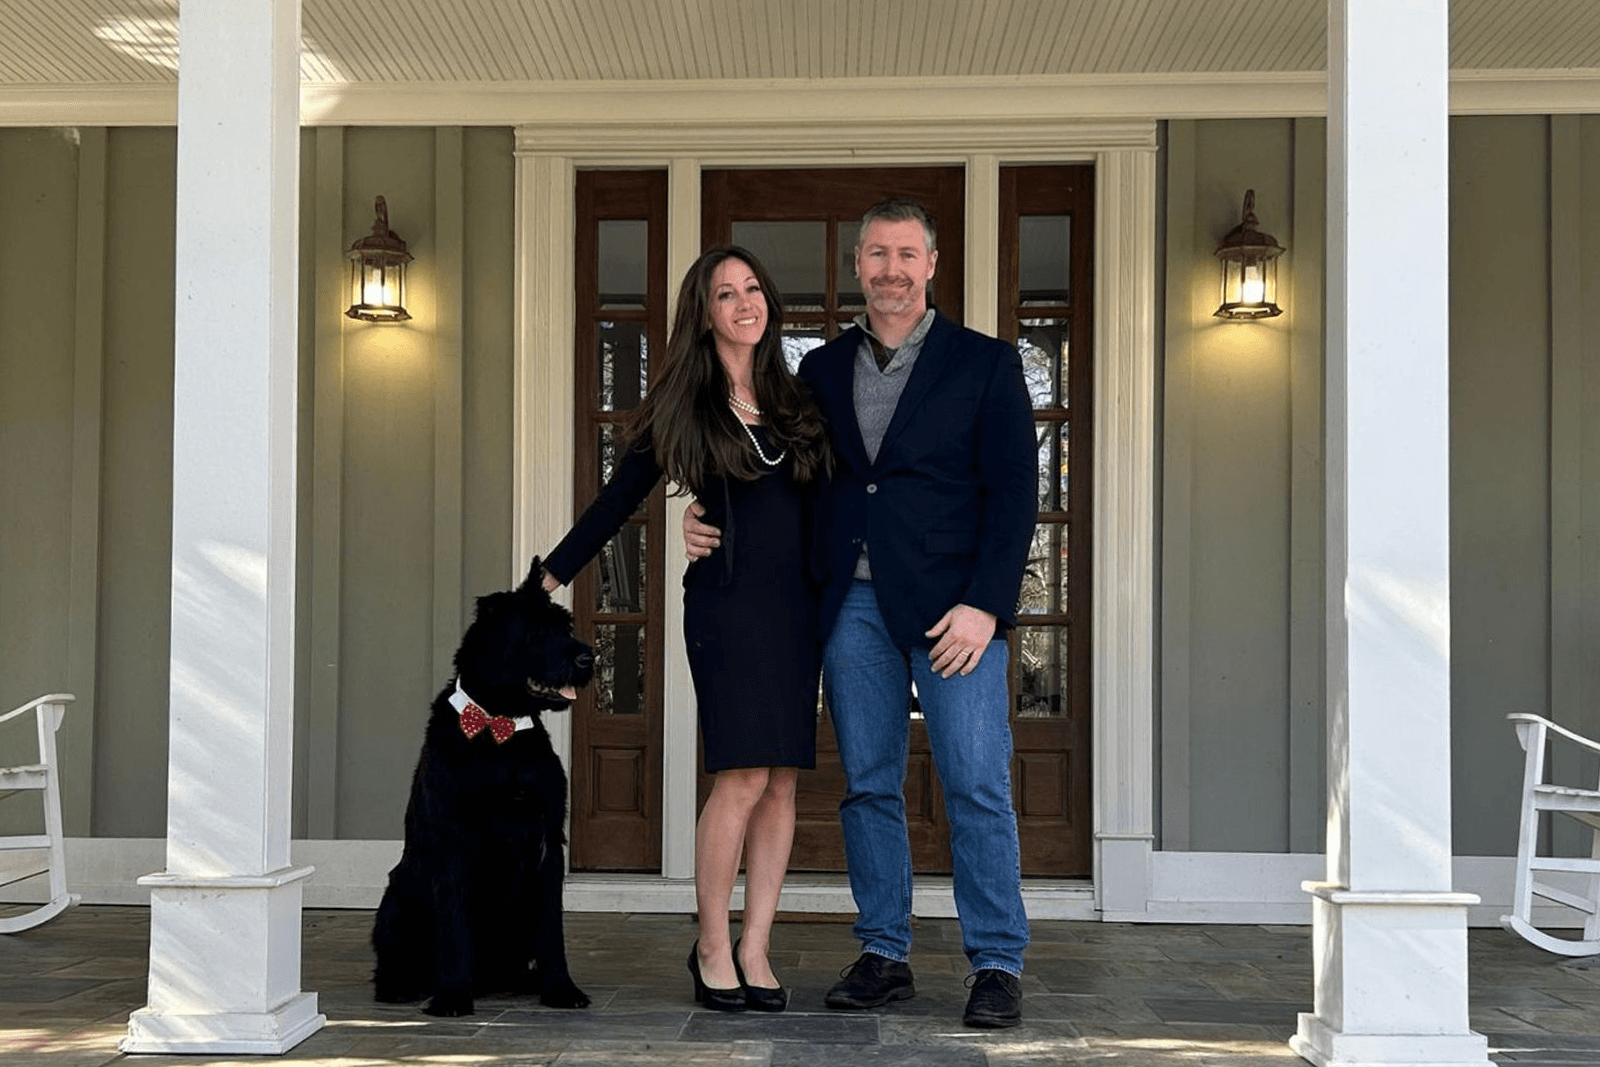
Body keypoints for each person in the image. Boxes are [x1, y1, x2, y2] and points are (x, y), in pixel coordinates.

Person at [684, 199, 1036, 1028]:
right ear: (859, 269)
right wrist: (703, 515)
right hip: (852, 610)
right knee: (869, 785)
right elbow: (776, 474)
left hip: (957, 617)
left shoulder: (986, 365)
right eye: (877, 254)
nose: (891, 269)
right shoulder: (820, 371)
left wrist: (987, 603)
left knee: (976, 784)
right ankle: (885, 949)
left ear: (932, 264)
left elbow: (1017, 495)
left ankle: (996, 960)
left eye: (906, 254)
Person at [543, 246, 830, 1014]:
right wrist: (547, 578)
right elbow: (615, 501)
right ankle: (711, 944)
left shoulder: (798, 399)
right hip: (728, 607)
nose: (744, 302)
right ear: (703, 315)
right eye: (725, 294)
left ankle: (756, 945)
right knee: (740, 773)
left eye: (752, 289)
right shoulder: (685, 402)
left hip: (797, 610)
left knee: (781, 781)